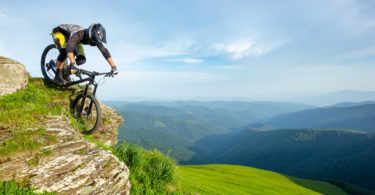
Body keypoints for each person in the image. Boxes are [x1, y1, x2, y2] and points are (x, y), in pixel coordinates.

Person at [51, 23, 117, 85]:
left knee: (81, 59)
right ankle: (57, 76)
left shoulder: (96, 39)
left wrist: (113, 66)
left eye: (96, 40)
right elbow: (69, 48)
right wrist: (73, 63)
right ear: (90, 35)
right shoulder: (79, 34)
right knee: (64, 52)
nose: (95, 42)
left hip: (73, 39)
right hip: (59, 32)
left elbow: (104, 51)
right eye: (94, 40)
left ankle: (66, 72)